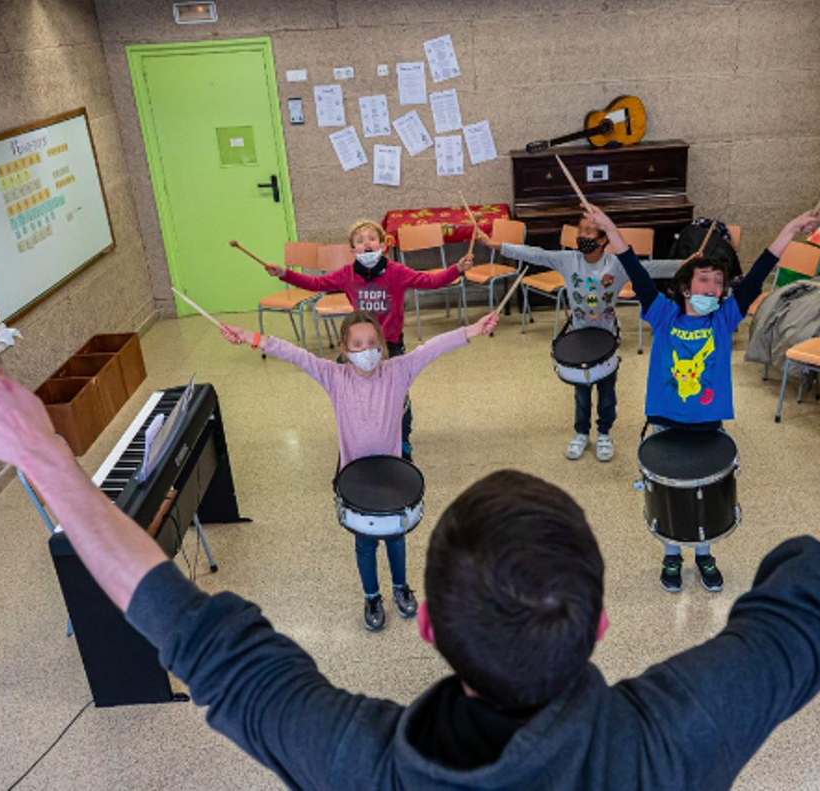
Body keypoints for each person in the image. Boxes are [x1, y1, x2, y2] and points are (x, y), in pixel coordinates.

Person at [0, 289, 820, 789]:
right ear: (605, 619)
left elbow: (183, 624)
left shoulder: (354, 760)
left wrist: (49, 459)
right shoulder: (670, 746)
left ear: (425, 622)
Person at [586, 204, 820, 594]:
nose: (712, 288)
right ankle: (672, 555)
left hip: (708, 426)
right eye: (704, 280)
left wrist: (791, 228)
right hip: (665, 424)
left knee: (706, 493)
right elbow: (633, 266)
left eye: (718, 282)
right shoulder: (662, 314)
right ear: (684, 287)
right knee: (667, 497)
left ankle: (705, 554)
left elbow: (762, 268)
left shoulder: (723, 319)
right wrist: (609, 226)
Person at [217, 308, 498, 631]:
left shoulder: (399, 371)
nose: (367, 351)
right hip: (355, 481)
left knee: (395, 537)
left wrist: (472, 330)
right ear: (344, 349)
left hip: (392, 476)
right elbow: (293, 354)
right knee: (364, 543)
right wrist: (251, 337)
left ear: (382, 343)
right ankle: (372, 596)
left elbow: (433, 347)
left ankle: (401, 587)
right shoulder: (334, 377)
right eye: (357, 344)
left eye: (372, 342)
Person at [263, 220, 475, 459]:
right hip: (357, 345)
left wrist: (456, 269)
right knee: (347, 390)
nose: (366, 244)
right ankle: (357, 435)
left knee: (399, 394)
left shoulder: (397, 272)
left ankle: (402, 439)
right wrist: (284, 274)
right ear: (352, 250)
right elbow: (316, 284)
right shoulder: (346, 275)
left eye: (371, 239)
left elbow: (431, 281)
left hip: (389, 345)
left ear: (383, 245)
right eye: (360, 241)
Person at [476, 216, 628, 462]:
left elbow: (653, 269)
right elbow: (534, 253)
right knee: (581, 391)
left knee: (607, 392)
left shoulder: (618, 265)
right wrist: (497, 246)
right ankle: (581, 433)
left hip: (607, 339)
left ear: (603, 240)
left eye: (588, 232)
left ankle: (604, 433)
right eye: (580, 231)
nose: (582, 237)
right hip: (578, 337)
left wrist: (685, 265)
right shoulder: (568, 260)